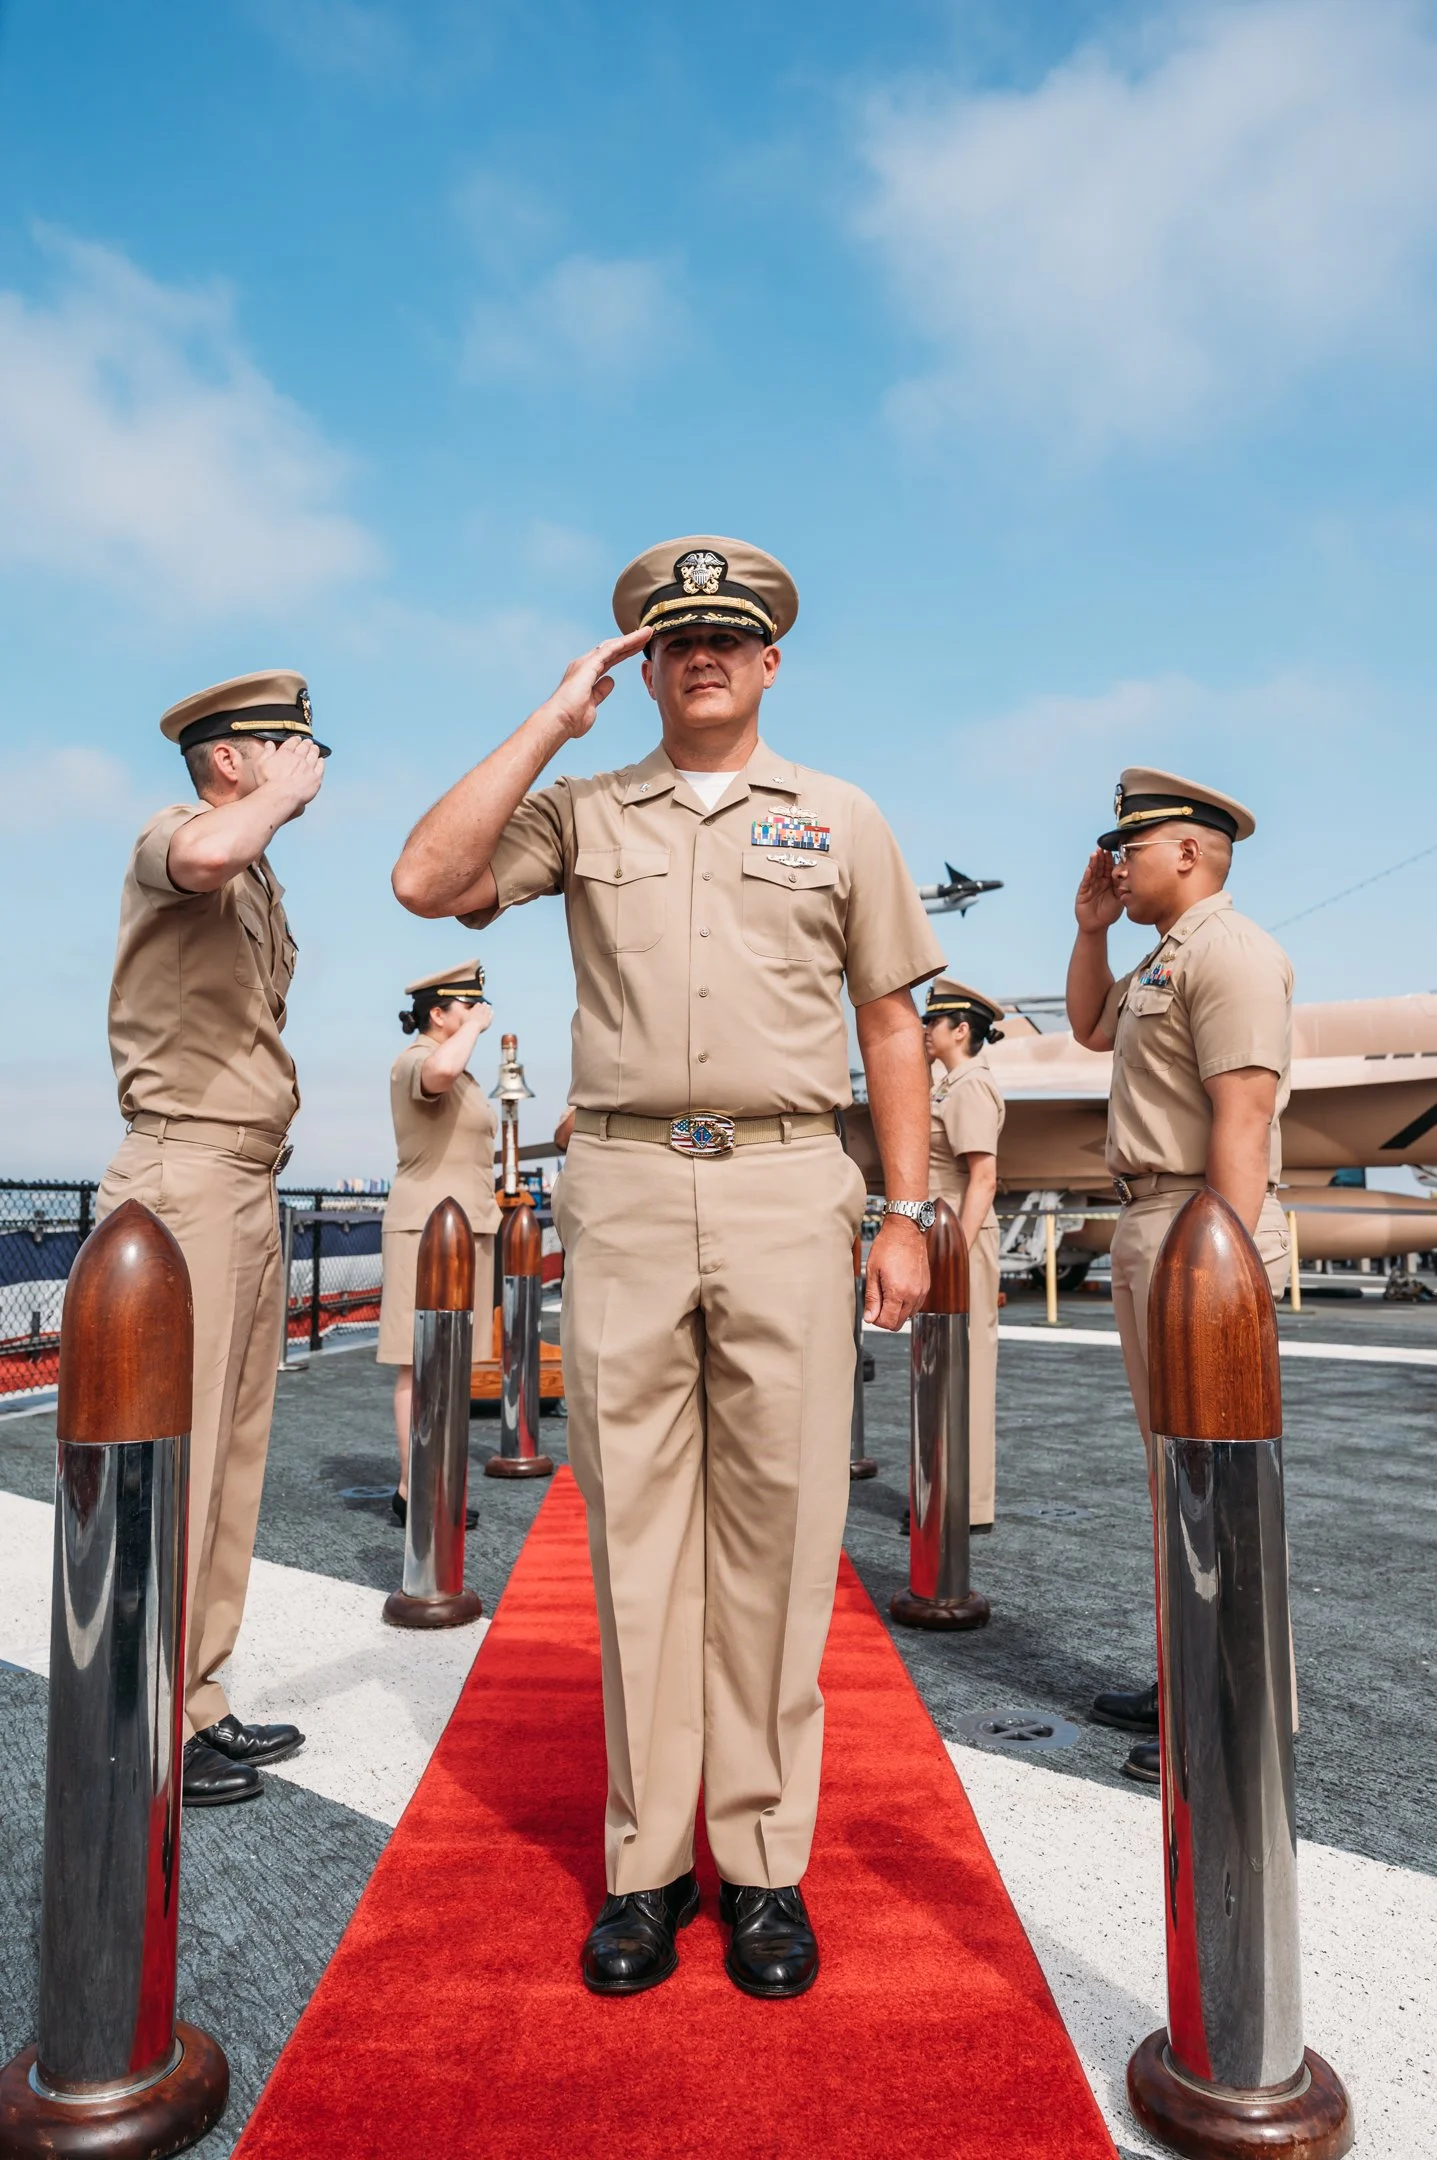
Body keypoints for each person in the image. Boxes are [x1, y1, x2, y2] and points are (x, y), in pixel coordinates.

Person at [392, 534, 945, 1999]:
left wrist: (909, 1212)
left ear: (772, 660)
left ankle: (763, 1863)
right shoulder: (582, 808)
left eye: (730, 633)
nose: (702, 653)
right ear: (643, 660)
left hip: (784, 1182)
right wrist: (551, 720)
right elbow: (426, 877)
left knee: (778, 1532)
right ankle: (649, 1864)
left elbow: (889, 1023)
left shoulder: (840, 818)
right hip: (628, 1185)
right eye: (674, 635)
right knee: (634, 1539)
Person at [97, 670, 326, 1807]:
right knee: (170, 1463)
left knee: (231, 1463)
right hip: (183, 1174)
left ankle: (198, 1700)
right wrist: (273, 802)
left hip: (244, 1184)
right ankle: (140, 1722)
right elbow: (199, 859)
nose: (312, 755)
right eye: (290, 741)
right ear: (231, 759)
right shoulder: (182, 835)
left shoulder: (257, 870)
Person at [1065, 766, 1292, 1783]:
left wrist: (1221, 1279)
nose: (1118, 862)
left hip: (1202, 1226)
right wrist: (1090, 928)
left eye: (1132, 849)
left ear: (1189, 852)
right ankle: (1188, 1675)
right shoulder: (1165, 959)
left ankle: (1233, 1711)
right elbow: (1088, 1026)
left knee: (1217, 1480)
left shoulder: (1232, 953)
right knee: (1177, 1478)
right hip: (1154, 1222)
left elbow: (1241, 1119)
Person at [378, 960, 500, 1528]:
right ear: (438, 1014)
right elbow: (440, 1076)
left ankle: (438, 1480)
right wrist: (476, 1028)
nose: (476, 1013)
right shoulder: (416, 1062)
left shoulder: (463, 1069)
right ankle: (414, 1487)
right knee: (417, 1363)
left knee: (449, 1367)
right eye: (466, 1006)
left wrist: (470, 1029)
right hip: (425, 1232)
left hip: (465, 1230)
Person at [922, 979, 1006, 1533]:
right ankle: (944, 1490)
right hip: (946, 1235)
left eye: (933, 1022)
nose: (924, 1031)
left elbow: (983, 1177)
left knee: (966, 1367)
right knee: (941, 1368)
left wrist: (953, 1254)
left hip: (963, 1241)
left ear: (961, 1029)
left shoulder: (970, 1086)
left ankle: (966, 1504)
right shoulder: (947, 1086)